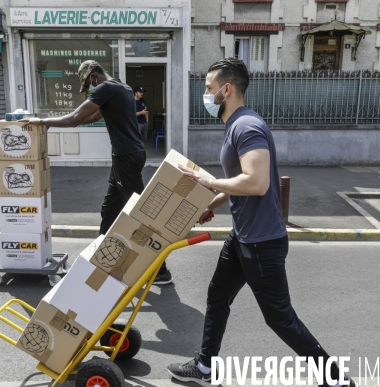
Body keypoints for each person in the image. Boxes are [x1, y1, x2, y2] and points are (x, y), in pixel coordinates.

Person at [167, 57, 355, 387]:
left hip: (262, 242)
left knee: (280, 319)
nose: (206, 95)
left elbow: (256, 183)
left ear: (226, 89)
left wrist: (208, 182)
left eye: (209, 89)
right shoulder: (235, 125)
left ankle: (336, 380)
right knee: (217, 296)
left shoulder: (246, 126)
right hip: (243, 237)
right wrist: (210, 204)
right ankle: (205, 367)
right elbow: (238, 182)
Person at [20, 60, 172, 285]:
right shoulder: (123, 87)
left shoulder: (105, 88)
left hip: (126, 157)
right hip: (130, 154)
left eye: (88, 85)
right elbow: (92, 117)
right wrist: (56, 122)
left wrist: (42, 122)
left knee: (140, 215)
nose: (90, 89)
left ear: (92, 76)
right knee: (109, 210)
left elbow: (74, 119)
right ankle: (100, 261)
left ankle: (161, 271)